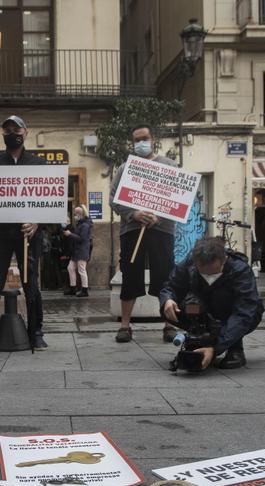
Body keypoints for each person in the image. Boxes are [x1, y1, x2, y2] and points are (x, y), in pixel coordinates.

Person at [0, 115, 47, 354]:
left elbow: (50, 199)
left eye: (16, 129)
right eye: (6, 130)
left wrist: (37, 221)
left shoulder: (38, 164)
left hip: (28, 235)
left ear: (26, 132)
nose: (11, 133)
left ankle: (36, 332)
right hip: (0, 233)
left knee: (30, 284)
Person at [111, 123, 179, 343]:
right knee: (130, 274)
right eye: (136, 140)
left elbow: (178, 200)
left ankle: (169, 324)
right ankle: (125, 325)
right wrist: (134, 214)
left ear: (153, 139)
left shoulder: (169, 165)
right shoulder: (124, 169)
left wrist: (159, 217)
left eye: (144, 138)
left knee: (165, 274)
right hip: (132, 231)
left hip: (163, 231)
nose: (141, 143)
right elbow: (113, 199)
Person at [159, 236, 263, 370]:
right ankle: (198, 339)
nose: (208, 275)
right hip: (203, 311)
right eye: (203, 272)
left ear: (223, 259)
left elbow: (244, 312)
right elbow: (171, 287)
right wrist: (168, 299)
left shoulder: (240, 270)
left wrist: (215, 348)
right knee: (175, 307)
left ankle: (235, 347)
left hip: (231, 312)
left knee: (232, 304)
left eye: (212, 272)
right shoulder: (189, 263)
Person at [63, 204, 92, 297]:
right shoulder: (80, 224)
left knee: (81, 270)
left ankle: (85, 290)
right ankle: (73, 288)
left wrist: (70, 234)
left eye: (77, 213)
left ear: (82, 214)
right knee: (70, 268)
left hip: (82, 251)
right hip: (76, 251)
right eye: (75, 213)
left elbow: (81, 239)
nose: (75, 215)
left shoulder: (85, 225)